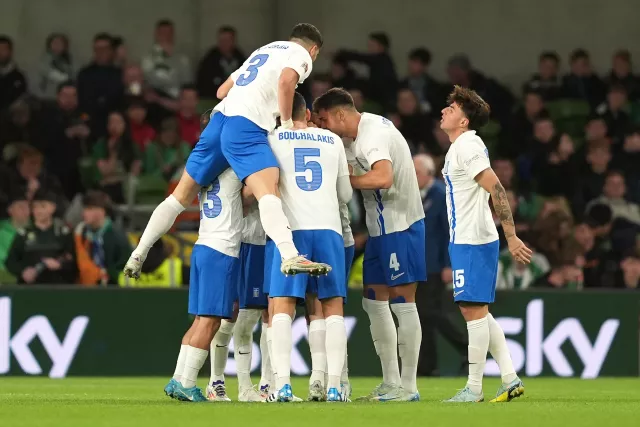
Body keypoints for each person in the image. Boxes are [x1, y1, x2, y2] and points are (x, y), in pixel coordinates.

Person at [123, 23, 330, 281]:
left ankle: (139, 252)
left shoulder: (262, 52)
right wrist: (286, 125)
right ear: (313, 49)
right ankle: (289, 254)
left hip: (217, 122)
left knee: (179, 197)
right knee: (269, 188)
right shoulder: (300, 54)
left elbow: (222, 91)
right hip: (245, 126)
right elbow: (287, 81)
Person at [313, 88, 425, 402]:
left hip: (402, 226)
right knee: (373, 301)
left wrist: (344, 182)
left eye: (323, 120)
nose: (322, 127)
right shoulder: (347, 140)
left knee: (403, 302)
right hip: (379, 230)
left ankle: (409, 386)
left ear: (339, 115)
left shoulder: (372, 133)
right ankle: (391, 381)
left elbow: (384, 177)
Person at [438, 85, 532, 403]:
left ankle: (474, 388)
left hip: (473, 238)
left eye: (451, 109)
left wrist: (512, 235)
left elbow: (498, 189)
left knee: (472, 310)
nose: (444, 111)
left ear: (464, 121)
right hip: (467, 238)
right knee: (478, 310)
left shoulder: (467, 146)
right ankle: (509, 377)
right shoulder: (462, 146)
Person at [264, 91, 352, 402]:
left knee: (283, 304)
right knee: (332, 306)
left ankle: (283, 386)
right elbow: (345, 195)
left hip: (291, 231)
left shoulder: (273, 139)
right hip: (329, 230)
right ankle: (333, 387)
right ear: (309, 114)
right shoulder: (333, 140)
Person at [163, 165, 244, 402]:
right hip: (222, 249)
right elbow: (250, 196)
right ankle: (187, 384)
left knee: (200, 320)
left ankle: (178, 379)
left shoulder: (207, 170)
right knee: (210, 321)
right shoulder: (234, 170)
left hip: (202, 245)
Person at [413, 154, 468, 376]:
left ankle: (467, 349)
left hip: (435, 265)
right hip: (419, 265)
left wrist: (449, 263)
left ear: (428, 174)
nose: (413, 176)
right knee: (423, 316)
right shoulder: (417, 195)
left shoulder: (441, 194)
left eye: (416, 172)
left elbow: (449, 232)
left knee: (431, 313)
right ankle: (428, 365)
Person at [5, 189, 77, 285]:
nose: (38, 211)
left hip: (58, 288)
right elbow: (10, 261)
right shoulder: (23, 234)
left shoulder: (64, 233)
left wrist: (60, 265)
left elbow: (74, 261)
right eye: (35, 207)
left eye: (43, 206)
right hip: (29, 288)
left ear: (52, 208)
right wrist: (23, 271)